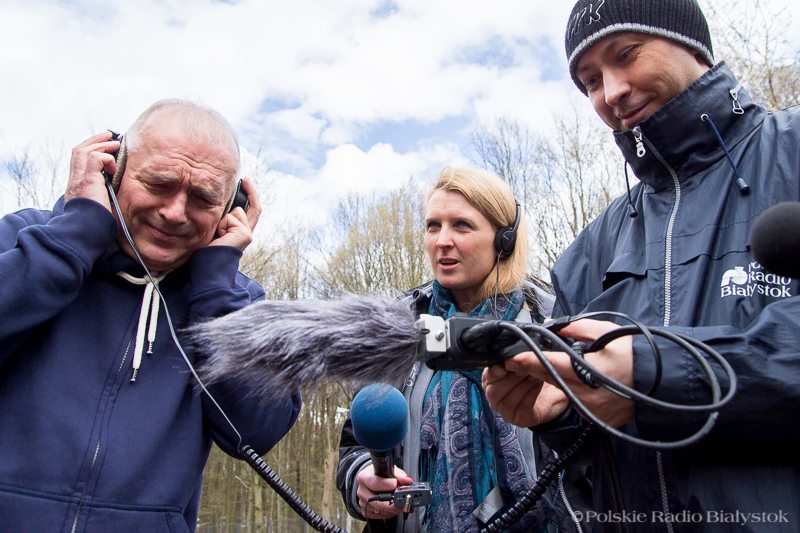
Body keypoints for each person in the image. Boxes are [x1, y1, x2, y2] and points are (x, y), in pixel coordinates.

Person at [483, 0, 800, 531]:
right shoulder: (587, 253)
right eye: (588, 82)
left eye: (626, 55)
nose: (611, 93)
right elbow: (581, 476)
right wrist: (558, 417)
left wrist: (659, 376)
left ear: (692, 45)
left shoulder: (792, 154)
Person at [0, 99, 301, 532]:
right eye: (159, 184)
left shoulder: (236, 302)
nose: (175, 212)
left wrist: (215, 288)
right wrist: (74, 239)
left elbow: (259, 430)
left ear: (229, 210)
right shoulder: (25, 242)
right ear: (112, 171)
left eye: (202, 198)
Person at [337, 167, 589, 533]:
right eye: (432, 225)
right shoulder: (397, 324)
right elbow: (355, 443)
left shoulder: (554, 322)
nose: (442, 240)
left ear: (504, 239)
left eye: (462, 226)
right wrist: (361, 477)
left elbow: (594, 454)